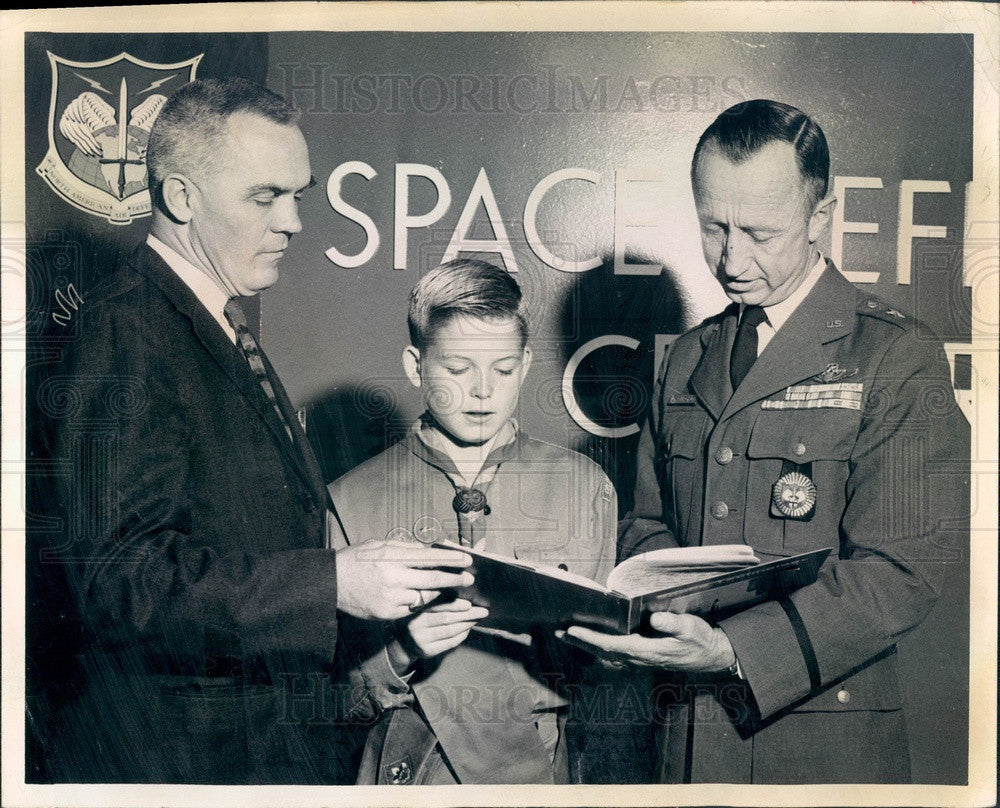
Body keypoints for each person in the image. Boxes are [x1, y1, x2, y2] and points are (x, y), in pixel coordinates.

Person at [37, 78, 472, 784]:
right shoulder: (127, 328)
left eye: (298, 195)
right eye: (265, 197)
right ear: (180, 198)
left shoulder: (206, 316)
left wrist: (360, 573)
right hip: (174, 767)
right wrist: (332, 582)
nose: (295, 222)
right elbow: (120, 583)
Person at [562, 99, 970, 783]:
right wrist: (659, 609)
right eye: (713, 227)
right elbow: (649, 523)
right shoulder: (687, 357)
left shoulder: (897, 357)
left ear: (819, 217)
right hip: (686, 741)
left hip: (818, 753)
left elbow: (901, 573)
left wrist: (731, 650)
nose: (731, 258)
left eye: (759, 232)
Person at [327, 259, 624, 784]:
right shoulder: (349, 500)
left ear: (528, 362)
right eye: (458, 370)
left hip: (541, 770)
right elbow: (332, 702)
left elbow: (603, 681)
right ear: (417, 365)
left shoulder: (584, 486)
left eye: (503, 369)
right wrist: (403, 650)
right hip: (408, 772)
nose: (484, 391)